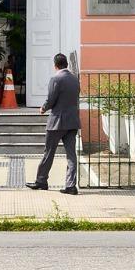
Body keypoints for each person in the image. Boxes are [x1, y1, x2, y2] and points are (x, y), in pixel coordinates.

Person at [27, 52, 80, 195]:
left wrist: (43, 108)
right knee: (71, 155)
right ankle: (71, 185)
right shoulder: (75, 79)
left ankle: (41, 181)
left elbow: (51, 99)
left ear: (55, 65)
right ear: (67, 64)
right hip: (72, 121)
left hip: (57, 121)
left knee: (49, 152)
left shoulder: (56, 79)